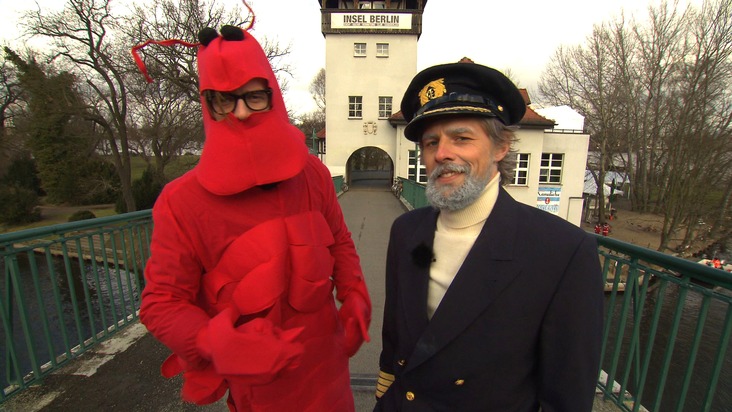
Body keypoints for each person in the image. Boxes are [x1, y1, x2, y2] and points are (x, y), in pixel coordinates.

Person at [135, 21, 371, 412]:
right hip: (259, 390)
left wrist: (354, 293)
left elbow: (340, 240)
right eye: (225, 100)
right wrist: (211, 340)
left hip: (328, 371)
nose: (241, 112)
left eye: (253, 97)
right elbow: (160, 301)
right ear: (208, 103)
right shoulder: (180, 202)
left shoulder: (312, 173)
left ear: (271, 95)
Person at [374, 61, 604, 411]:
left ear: (501, 147)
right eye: (430, 142)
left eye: (461, 138)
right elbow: (396, 342)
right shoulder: (406, 230)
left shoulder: (563, 252)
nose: (441, 154)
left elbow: (567, 393)